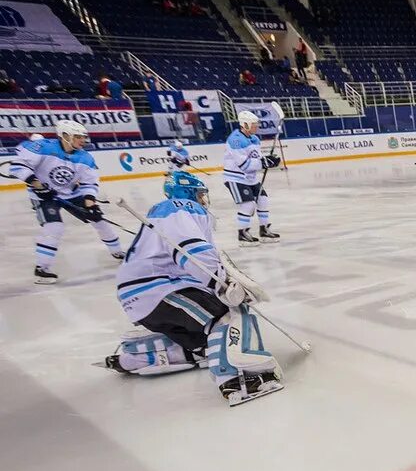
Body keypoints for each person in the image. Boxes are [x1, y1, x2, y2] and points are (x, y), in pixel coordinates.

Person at [104, 171, 283, 406]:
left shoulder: (162, 216)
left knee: (203, 342)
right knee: (227, 315)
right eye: (201, 194)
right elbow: (191, 250)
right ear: (189, 192)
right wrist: (223, 284)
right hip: (160, 290)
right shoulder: (180, 207)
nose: (203, 200)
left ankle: (134, 358)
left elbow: (185, 264)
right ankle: (236, 379)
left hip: (143, 296)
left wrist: (215, 285)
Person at [9, 120, 123, 284]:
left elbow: (89, 183)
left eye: (83, 137)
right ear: (64, 136)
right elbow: (18, 166)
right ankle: (42, 269)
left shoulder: (85, 157)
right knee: (54, 227)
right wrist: (36, 184)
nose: (82, 140)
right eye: (78, 137)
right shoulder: (44, 147)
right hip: (43, 196)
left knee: (99, 220)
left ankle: (118, 252)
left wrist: (91, 203)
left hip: (70, 193)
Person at [223, 110, 281, 246]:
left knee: (263, 199)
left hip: (251, 178)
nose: (256, 127)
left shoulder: (254, 138)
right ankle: (242, 233)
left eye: (256, 124)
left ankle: (264, 229)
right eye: (253, 124)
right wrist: (263, 163)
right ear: (245, 125)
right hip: (235, 178)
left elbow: (256, 157)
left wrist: (268, 160)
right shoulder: (235, 140)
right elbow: (243, 164)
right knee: (248, 204)